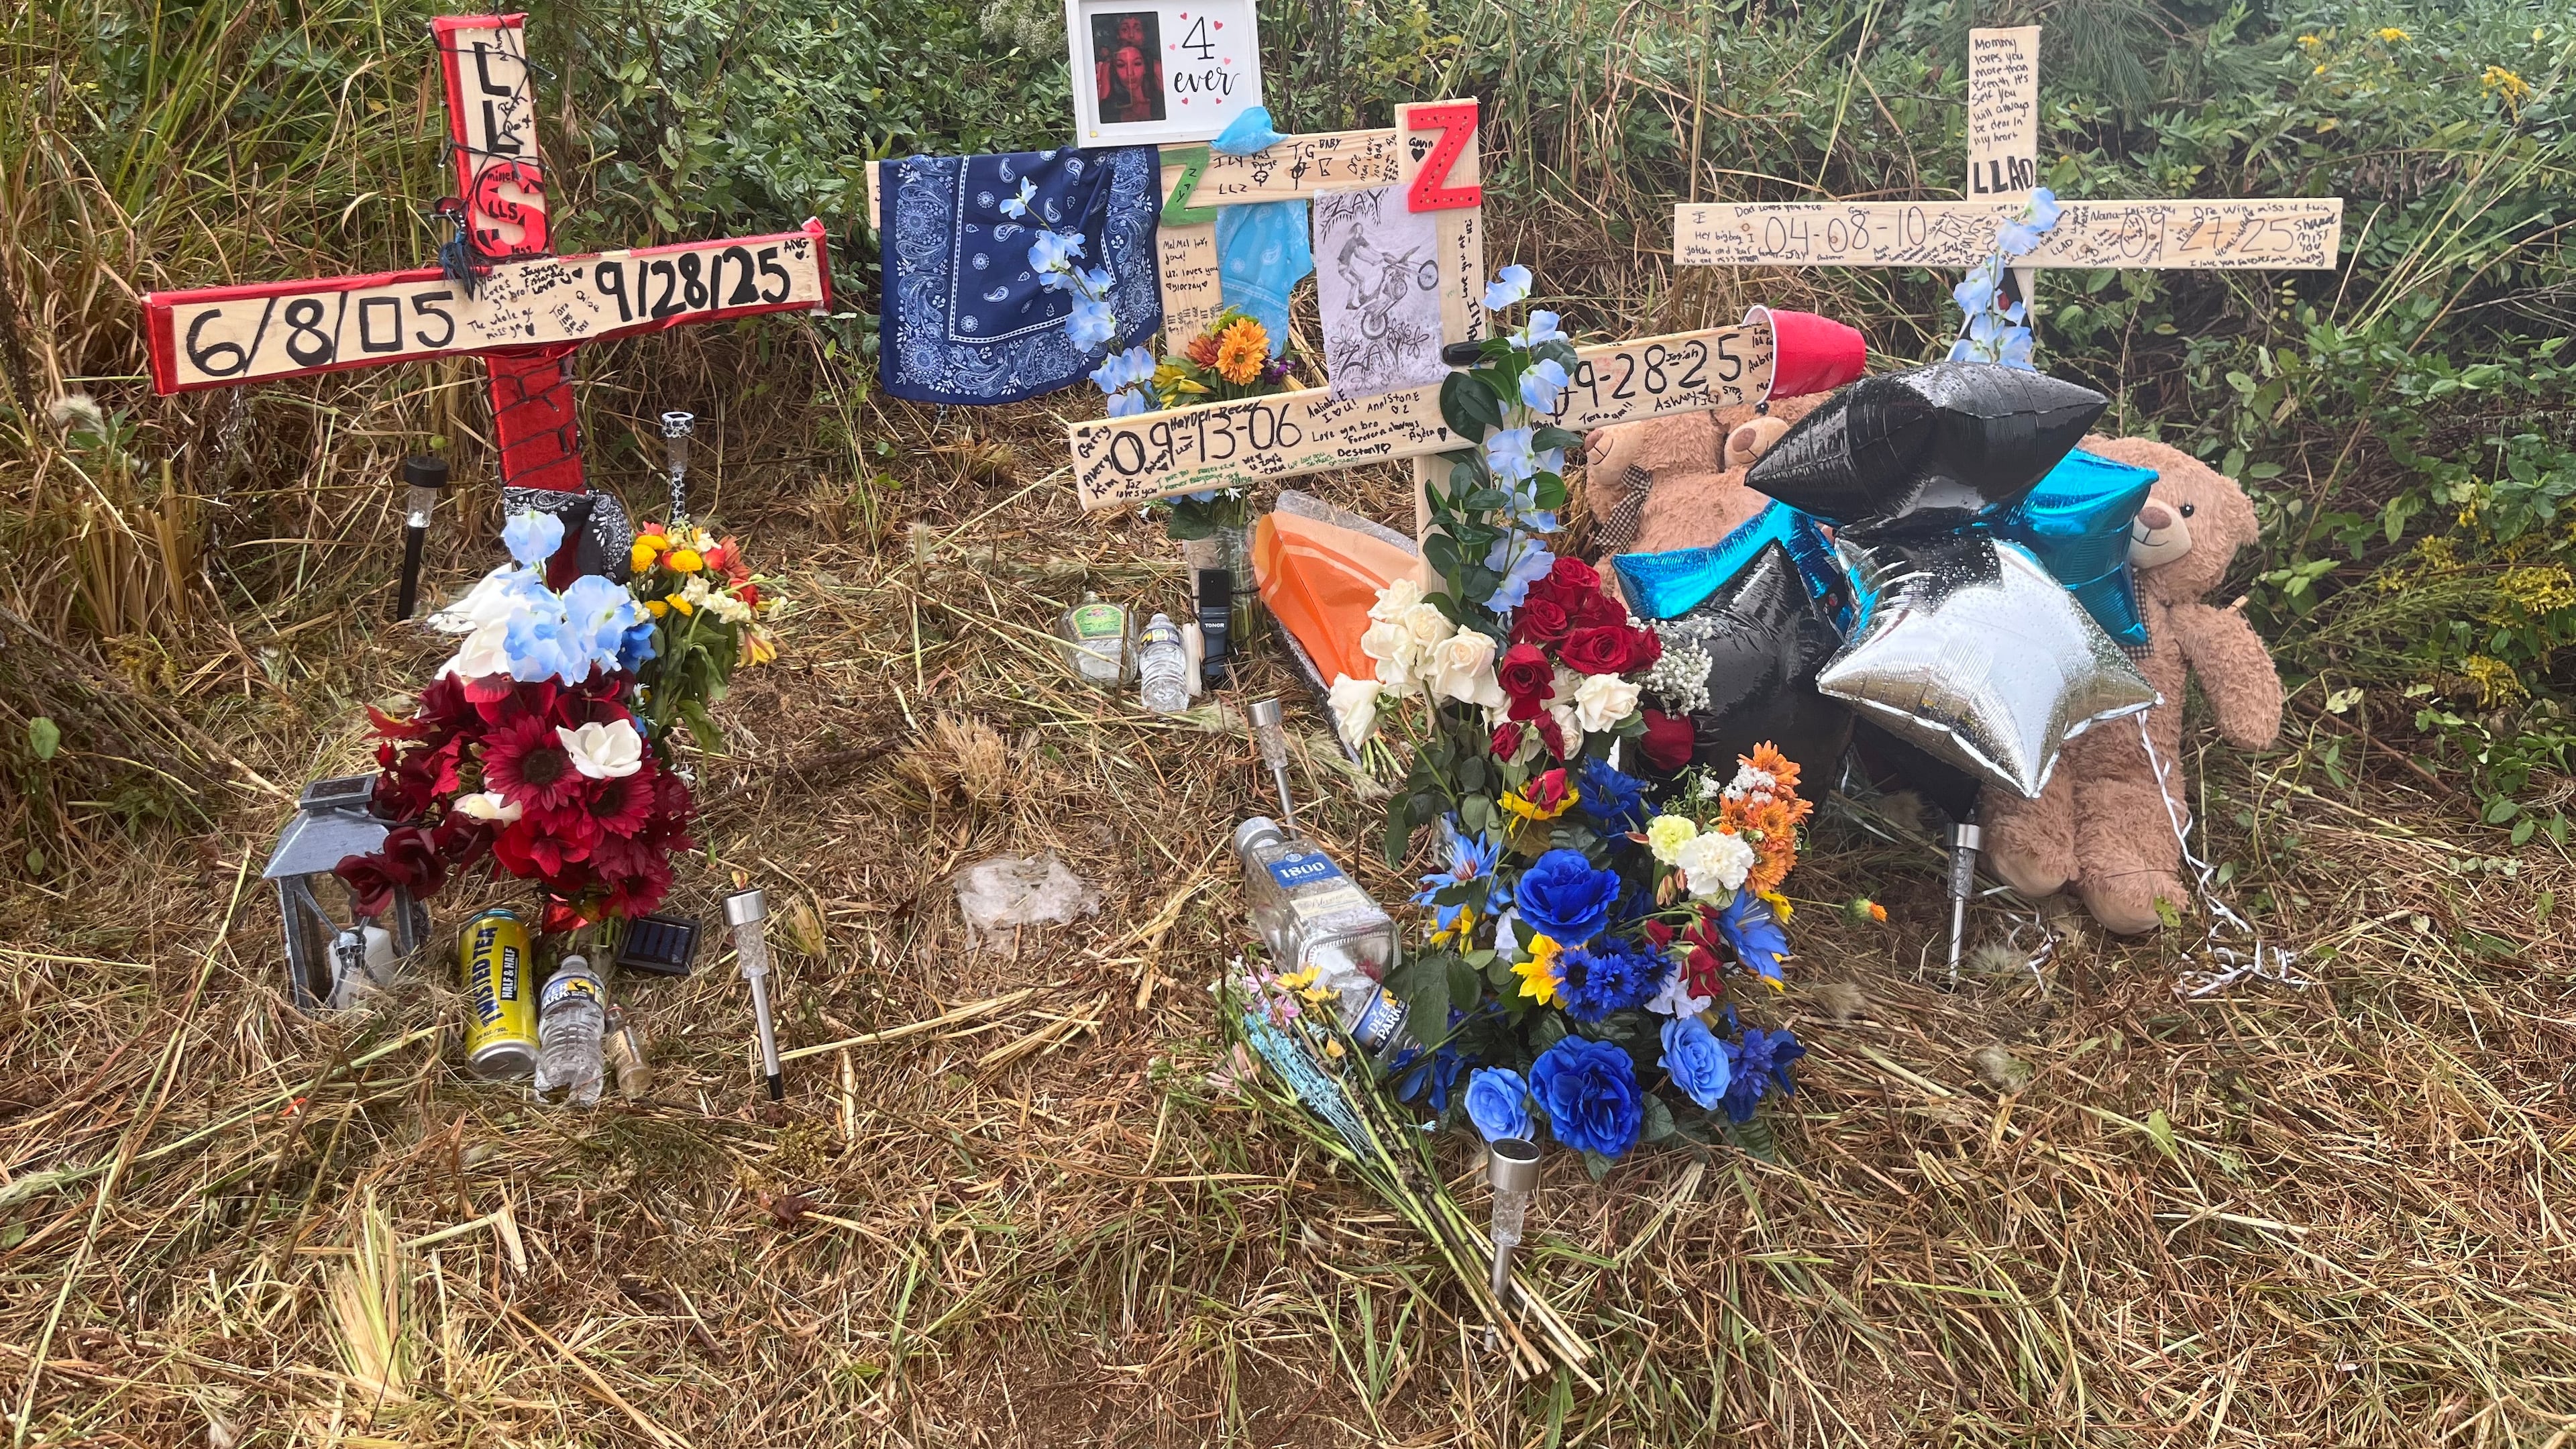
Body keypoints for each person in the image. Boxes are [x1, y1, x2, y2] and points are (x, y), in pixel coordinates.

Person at [1095, 15, 1162, 123]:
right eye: (1121, 65)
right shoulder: (1108, 109)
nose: (1130, 73)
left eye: (1137, 64)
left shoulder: (1161, 102)